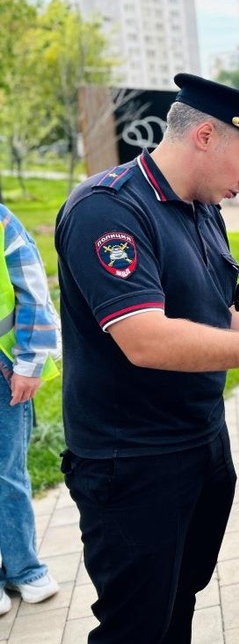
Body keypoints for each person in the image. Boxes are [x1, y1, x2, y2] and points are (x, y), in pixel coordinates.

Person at [54, 73, 239, 643]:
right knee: (135, 625)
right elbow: (146, 340)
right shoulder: (108, 209)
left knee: (178, 601)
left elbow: (226, 309)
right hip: (133, 462)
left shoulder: (200, 205)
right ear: (205, 136)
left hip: (201, 444)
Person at [0, 204, 61, 617]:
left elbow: (31, 289)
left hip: (3, 371)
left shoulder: (2, 222)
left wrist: (30, 363)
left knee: (8, 471)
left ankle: (23, 567)